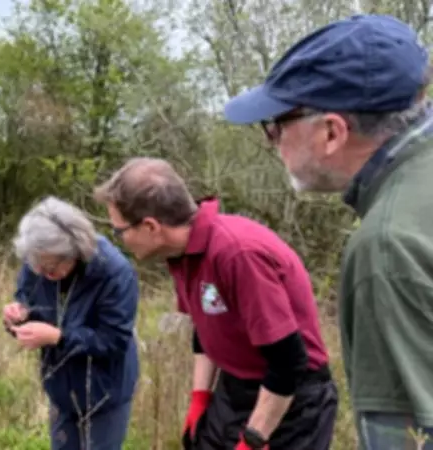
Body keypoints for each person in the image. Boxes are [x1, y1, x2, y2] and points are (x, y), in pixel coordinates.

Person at [221, 13, 433, 449]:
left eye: (275, 125)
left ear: (333, 131)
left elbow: (409, 438)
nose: (271, 141)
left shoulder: (388, 247)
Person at [93, 157, 338, 450]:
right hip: (235, 387)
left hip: (290, 399)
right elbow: (206, 327)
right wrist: (200, 399)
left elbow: (289, 361)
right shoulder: (183, 255)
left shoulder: (237, 255)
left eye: (120, 230)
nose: (119, 239)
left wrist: (254, 440)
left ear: (150, 226)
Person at [2, 196, 140, 450]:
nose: (44, 274)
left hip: (105, 393)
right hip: (61, 390)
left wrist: (58, 338)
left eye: (51, 266)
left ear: (75, 250)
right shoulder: (38, 259)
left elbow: (114, 340)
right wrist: (17, 317)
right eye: (37, 266)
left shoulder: (114, 272)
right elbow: (26, 299)